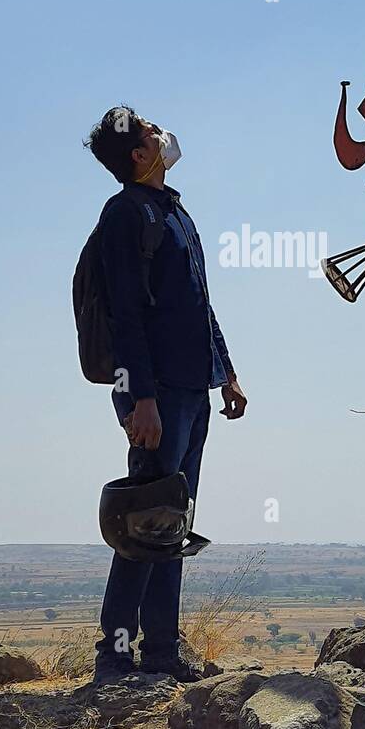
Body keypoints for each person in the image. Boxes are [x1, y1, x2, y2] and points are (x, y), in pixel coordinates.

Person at [83, 106, 247, 683]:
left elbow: (197, 304)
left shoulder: (174, 211)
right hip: (156, 395)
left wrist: (224, 372)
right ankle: (114, 655)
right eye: (151, 130)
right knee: (143, 522)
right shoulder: (124, 215)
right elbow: (126, 315)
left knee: (170, 524)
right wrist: (141, 398)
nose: (162, 132)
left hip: (191, 387)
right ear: (137, 154)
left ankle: (161, 651)